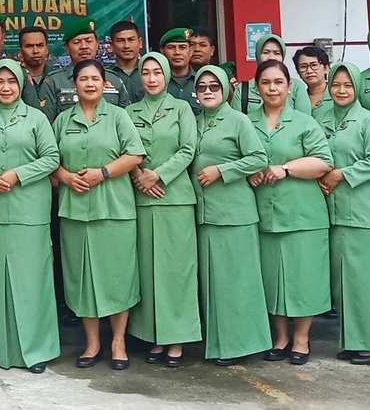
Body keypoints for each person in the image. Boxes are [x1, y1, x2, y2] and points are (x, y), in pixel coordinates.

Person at [52, 59, 144, 370]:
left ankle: (118, 341)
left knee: (118, 276)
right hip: (75, 211)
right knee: (82, 278)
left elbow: (135, 155)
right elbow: (50, 160)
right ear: (74, 85)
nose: (89, 84)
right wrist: (66, 177)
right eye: (83, 79)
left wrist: (102, 173)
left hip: (114, 209)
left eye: (95, 79)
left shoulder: (118, 116)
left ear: (105, 84)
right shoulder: (63, 120)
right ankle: (91, 342)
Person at [0, 58, 61, 373]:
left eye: (12, 81)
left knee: (32, 281)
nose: (6, 87)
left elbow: (52, 157)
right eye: (0, 81)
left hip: (29, 210)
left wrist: (18, 174)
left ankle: (37, 351)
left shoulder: (36, 118)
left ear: (21, 84)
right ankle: (4, 351)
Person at [247, 59, 332, 365]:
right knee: (272, 278)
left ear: (289, 86)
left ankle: (301, 339)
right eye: (266, 82)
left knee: (302, 278)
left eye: (278, 82)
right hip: (263, 213)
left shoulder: (304, 122)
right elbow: (237, 158)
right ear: (257, 87)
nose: (272, 88)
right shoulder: (246, 122)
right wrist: (248, 173)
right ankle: (280, 337)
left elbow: (323, 162)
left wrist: (286, 168)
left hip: (302, 213)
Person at [318, 62, 370, 364]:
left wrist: (341, 174)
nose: (341, 90)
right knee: (345, 282)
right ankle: (353, 340)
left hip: (365, 210)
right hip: (335, 211)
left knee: (369, 280)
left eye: (348, 85)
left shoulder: (368, 120)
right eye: (336, 85)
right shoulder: (322, 117)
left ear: (358, 88)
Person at [191, 65, 270, 365]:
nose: (208, 91)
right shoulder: (195, 121)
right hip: (205, 214)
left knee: (238, 281)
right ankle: (220, 343)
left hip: (235, 213)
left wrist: (223, 171)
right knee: (215, 284)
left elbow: (258, 158)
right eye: (202, 87)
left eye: (214, 86)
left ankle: (242, 344)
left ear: (225, 90)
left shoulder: (238, 120)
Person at [126, 53, 200, 367]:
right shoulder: (129, 111)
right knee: (147, 271)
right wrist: (138, 176)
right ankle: (153, 335)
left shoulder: (182, 108)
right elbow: (124, 149)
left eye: (157, 72)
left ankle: (176, 338)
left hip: (175, 198)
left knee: (176, 271)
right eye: (146, 72)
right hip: (142, 198)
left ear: (167, 75)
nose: (152, 78)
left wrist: (158, 175)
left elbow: (188, 148)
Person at [51, 17, 128, 112]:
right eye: (77, 42)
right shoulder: (54, 82)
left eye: (88, 41)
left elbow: (125, 116)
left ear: (97, 44)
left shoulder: (114, 79)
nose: (84, 46)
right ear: (67, 48)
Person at [233, 34, 313, 115]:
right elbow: (236, 121)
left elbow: (304, 120)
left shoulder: (296, 87)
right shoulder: (243, 89)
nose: (271, 57)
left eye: (277, 53)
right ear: (257, 55)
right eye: (266, 52)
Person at [17, 28, 61, 121]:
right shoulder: (14, 79)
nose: (35, 51)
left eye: (40, 45)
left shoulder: (58, 77)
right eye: (29, 46)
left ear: (46, 49)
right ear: (20, 51)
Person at [158, 28, 200, 114]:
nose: (177, 52)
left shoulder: (201, 82)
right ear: (162, 51)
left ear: (191, 51)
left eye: (182, 47)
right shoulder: (156, 83)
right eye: (171, 47)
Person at [107, 21, 145, 104]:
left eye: (131, 40)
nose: (126, 46)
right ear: (111, 45)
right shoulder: (105, 75)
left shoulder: (151, 72)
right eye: (120, 41)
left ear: (140, 43)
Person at [296, 46, 333, 126]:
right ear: (298, 72)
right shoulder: (297, 98)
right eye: (303, 67)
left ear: (326, 68)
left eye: (314, 65)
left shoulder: (337, 95)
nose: (309, 71)